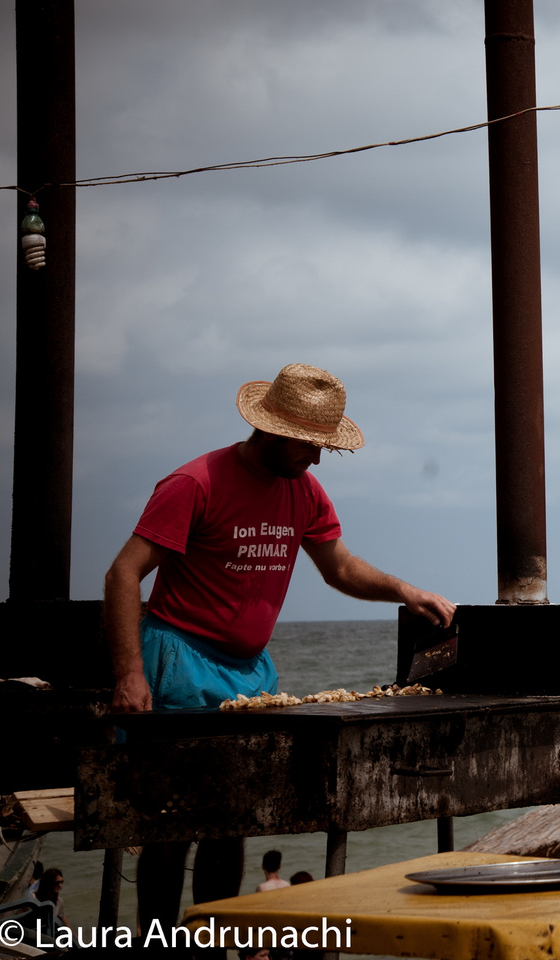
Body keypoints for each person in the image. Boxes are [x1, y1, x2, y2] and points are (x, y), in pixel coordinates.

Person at [103, 363, 456, 934]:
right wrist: (129, 673)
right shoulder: (196, 482)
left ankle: (209, 944)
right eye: (308, 447)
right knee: (169, 826)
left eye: (323, 449)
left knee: (231, 823)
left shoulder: (305, 491)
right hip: (178, 662)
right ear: (271, 430)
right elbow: (123, 575)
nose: (316, 460)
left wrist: (403, 591)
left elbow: (338, 567)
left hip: (249, 676)